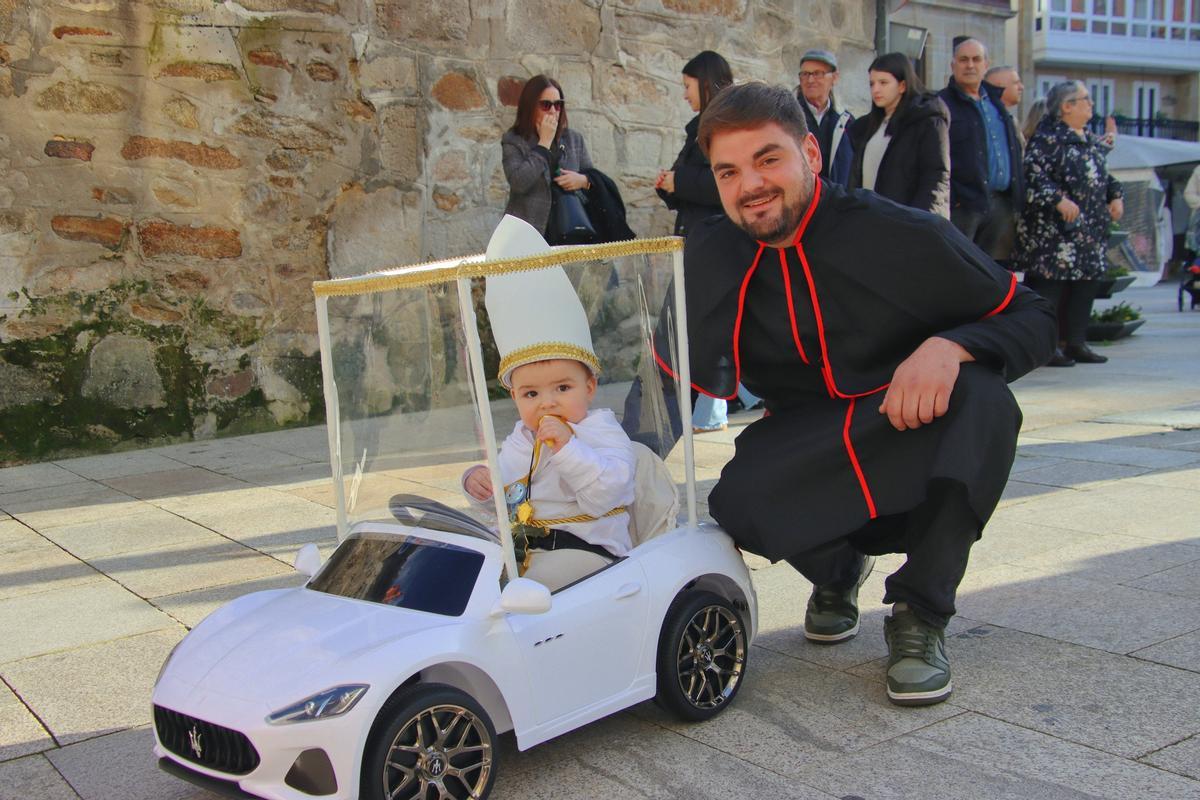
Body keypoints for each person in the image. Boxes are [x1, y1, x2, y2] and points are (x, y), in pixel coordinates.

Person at [656, 82, 1055, 706]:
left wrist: (950, 348)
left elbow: (1033, 316)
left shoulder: (902, 232)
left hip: (906, 423)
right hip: (811, 438)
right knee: (738, 501)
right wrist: (588, 469)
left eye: (768, 159)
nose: (750, 185)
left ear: (810, 155)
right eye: (728, 171)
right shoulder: (708, 255)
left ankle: (921, 613)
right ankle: (839, 572)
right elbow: (661, 391)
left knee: (985, 402)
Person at [464, 217, 636, 592]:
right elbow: (510, 497)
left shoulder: (600, 430)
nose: (547, 403)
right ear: (514, 397)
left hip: (588, 548)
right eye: (531, 394)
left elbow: (607, 493)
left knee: (508, 594)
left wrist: (567, 447)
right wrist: (480, 485)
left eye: (562, 387)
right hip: (526, 545)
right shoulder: (521, 438)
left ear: (589, 387)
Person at [655, 51, 736, 433]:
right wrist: (671, 187)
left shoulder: (723, 126)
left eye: (688, 86)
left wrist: (680, 181)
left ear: (704, 83)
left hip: (712, 240)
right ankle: (711, 408)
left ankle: (711, 408)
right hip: (696, 238)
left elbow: (724, 184)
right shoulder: (699, 128)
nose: (684, 94)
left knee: (701, 326)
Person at [1016, 81, 1124, 367]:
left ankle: (1075, 342)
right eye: (1085, 99)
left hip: (1089, 233)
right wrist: (1057, 199)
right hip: (1056, 235)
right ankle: (1048, 347)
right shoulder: (1047, 139)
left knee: (1085, 288)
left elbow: (1103, 174)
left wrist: (1115, 196)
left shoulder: (1088, 138)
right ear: (1066, 106)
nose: (1090, 104)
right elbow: (1033, 176)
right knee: (1050, 293)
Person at [939, 39, 1024, 265]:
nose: (970, 65)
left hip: (1001, 205)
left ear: (986, 65)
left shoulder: (997, 104)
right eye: (963, 60)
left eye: (976, 59)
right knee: (959, 270)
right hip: (962, 207)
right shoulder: (940, 104)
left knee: (996, 276)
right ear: (953, 65)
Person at [847, 52, 950, 218]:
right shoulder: (867, 126)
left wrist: (919, 222)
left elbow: (936, 178)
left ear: (902, 85)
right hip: (872, 219)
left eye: (883, 83)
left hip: (909, 223)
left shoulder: (928, 121)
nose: (876, 89)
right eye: (872, 84)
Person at [501, 75, 594, 237]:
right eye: (545, 105)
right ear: (530, 107)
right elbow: (518, 182)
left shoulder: (573, 139)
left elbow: (594, 182)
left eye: (558, 105)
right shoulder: (513, 140)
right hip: (527, 233)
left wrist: (583, 181)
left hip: (569, 229)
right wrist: (543, 144)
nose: (552, 111)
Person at [795, 48, 853, 187]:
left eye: (818, 74)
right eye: (805, 74)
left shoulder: (846, 122)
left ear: (834, 77)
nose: (810, 80)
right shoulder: (788, 117)